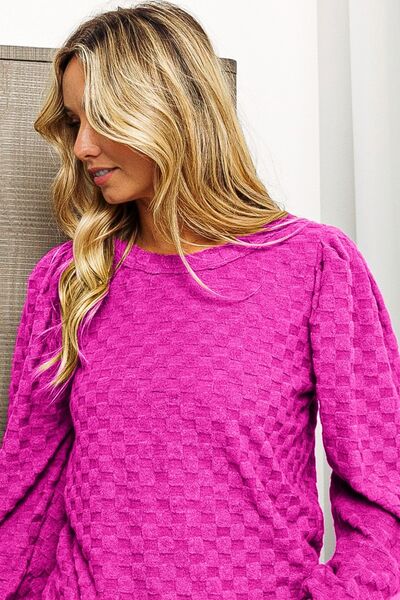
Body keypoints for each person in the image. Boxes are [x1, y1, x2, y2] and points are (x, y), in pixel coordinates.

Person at [1, 2, 399, 598]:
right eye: (75, 121)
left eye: (101, 119)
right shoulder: (68, 279)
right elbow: (26, 489)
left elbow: (382, 484)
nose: (81, 146)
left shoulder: (316, 265)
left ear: (168, 111)